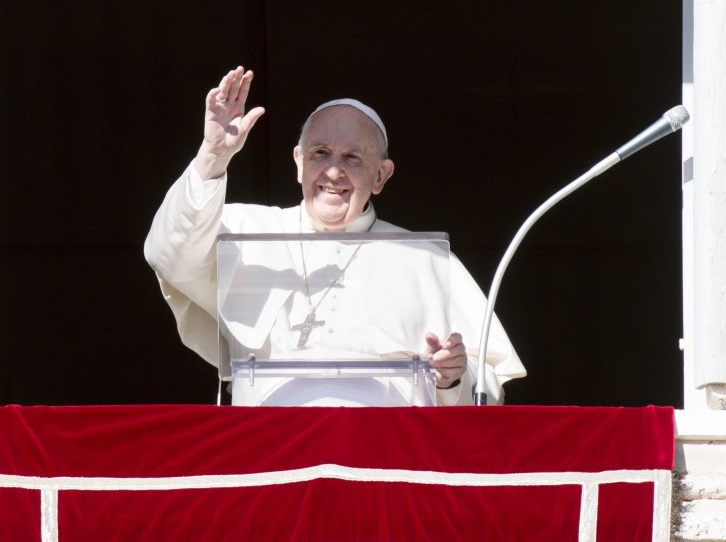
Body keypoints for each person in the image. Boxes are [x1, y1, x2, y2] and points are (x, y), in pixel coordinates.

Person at [144, 66, 526, 405]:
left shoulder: (425, 257)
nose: (332, 172)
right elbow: (168, 253)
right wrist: (212, 156)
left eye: (352, 158)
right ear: (298, 162)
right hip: (274, 451)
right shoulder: (244, 231)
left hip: (386, 456)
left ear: (381, 176)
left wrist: (453, 378)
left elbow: (489, 390)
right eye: (321, 153)